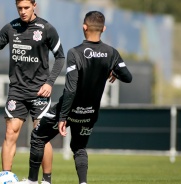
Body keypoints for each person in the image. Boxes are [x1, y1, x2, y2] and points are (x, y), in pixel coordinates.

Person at [15, 11, 132, 184]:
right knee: (79, 147)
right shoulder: (111, 53)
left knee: (38, 137)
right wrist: (113, 71)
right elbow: (128, 77)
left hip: (69, 109)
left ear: (84, 27)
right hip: (90, 112)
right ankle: (83, 183)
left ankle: (33, 181)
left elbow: (70, 89)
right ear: (104, 29)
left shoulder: (75, 53)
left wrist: (63, 117)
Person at [0, 0, 65, 183]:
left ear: (34, 5)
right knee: (10, 132)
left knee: (40, 135)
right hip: (17, 91)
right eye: (19, 8)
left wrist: (50, 83)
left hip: (40, 92)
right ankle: (6, 178)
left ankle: (46, 180)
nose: (23, 11)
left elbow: (60, 57)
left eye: (26, 7)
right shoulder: (11, 27)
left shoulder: (46, 28)